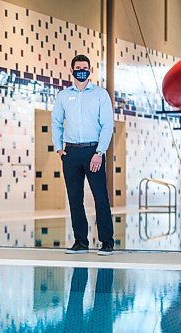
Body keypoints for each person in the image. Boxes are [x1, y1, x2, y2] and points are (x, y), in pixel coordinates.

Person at [51, 54, 114, 255]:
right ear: (71, 70)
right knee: (74, 198)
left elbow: (107, 125)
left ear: (90, 70)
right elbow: (56, 122)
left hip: (93, 151)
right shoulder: (63, 96)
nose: (81, 70)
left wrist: (100, 151)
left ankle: (107, 242)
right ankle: (81, 241)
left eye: (85, 67)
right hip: (70, 153)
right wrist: (59, 147)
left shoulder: (100, 94)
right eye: (77, 67)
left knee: (100, 197)